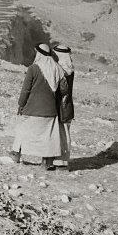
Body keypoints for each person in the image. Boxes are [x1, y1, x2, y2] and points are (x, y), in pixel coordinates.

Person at [10, 43, 65, 171]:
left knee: (22, 130)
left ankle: (16, 155)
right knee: (48, 136)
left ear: (39, 54)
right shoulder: (58, 68)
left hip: (32, 109)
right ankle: (47, 162)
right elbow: (64, 89)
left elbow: (26, 90)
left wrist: (21, 104)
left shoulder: (33, 68)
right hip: (50, 110)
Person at [54, 44, 75, 167]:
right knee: (64, 134)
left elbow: (62, 90)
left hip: (61, 107)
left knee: (62, 134)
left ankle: (61, 161)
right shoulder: (69, 69)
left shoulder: (62, 70)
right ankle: (62, 160)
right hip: (67, 106)